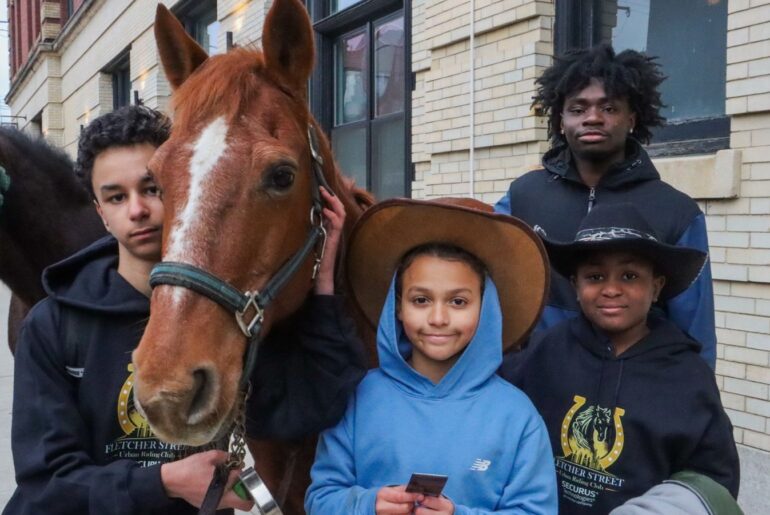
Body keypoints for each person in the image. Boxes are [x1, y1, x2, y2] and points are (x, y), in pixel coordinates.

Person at [5, 105, 366, 514]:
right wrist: (164, 482)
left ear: (183, 188)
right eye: (116, 197)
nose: (137, 209)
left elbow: (305, 411)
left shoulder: (223, 310)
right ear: (100, 213)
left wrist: (321, 283)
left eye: (152, 188)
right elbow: (45, 486)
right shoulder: (52, 325)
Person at [305, 199, 557, 515]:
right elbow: (320, 500)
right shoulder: (356, 399)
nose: (438, 318)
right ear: (397, 307)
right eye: (421, 300)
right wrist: (367, 505)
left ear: (485, 308)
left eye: (458, 302)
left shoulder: (517, 416)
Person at [501, 203, 739, 514]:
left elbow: (712, 481)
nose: (611, 289)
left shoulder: (688, 377)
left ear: (656, 287)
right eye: (595, 276)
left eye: (629, 276)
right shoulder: (545, 352)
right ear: (576, 285)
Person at [494, 44, 717, 368]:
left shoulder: (677, 211)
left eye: (609, 108)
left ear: (632, 118)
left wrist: (696, 401)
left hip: (634, 393)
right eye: (578, 108)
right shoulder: (523, 195)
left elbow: (695, 332)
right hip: (537, 384)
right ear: (560, 121)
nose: (593, 118)